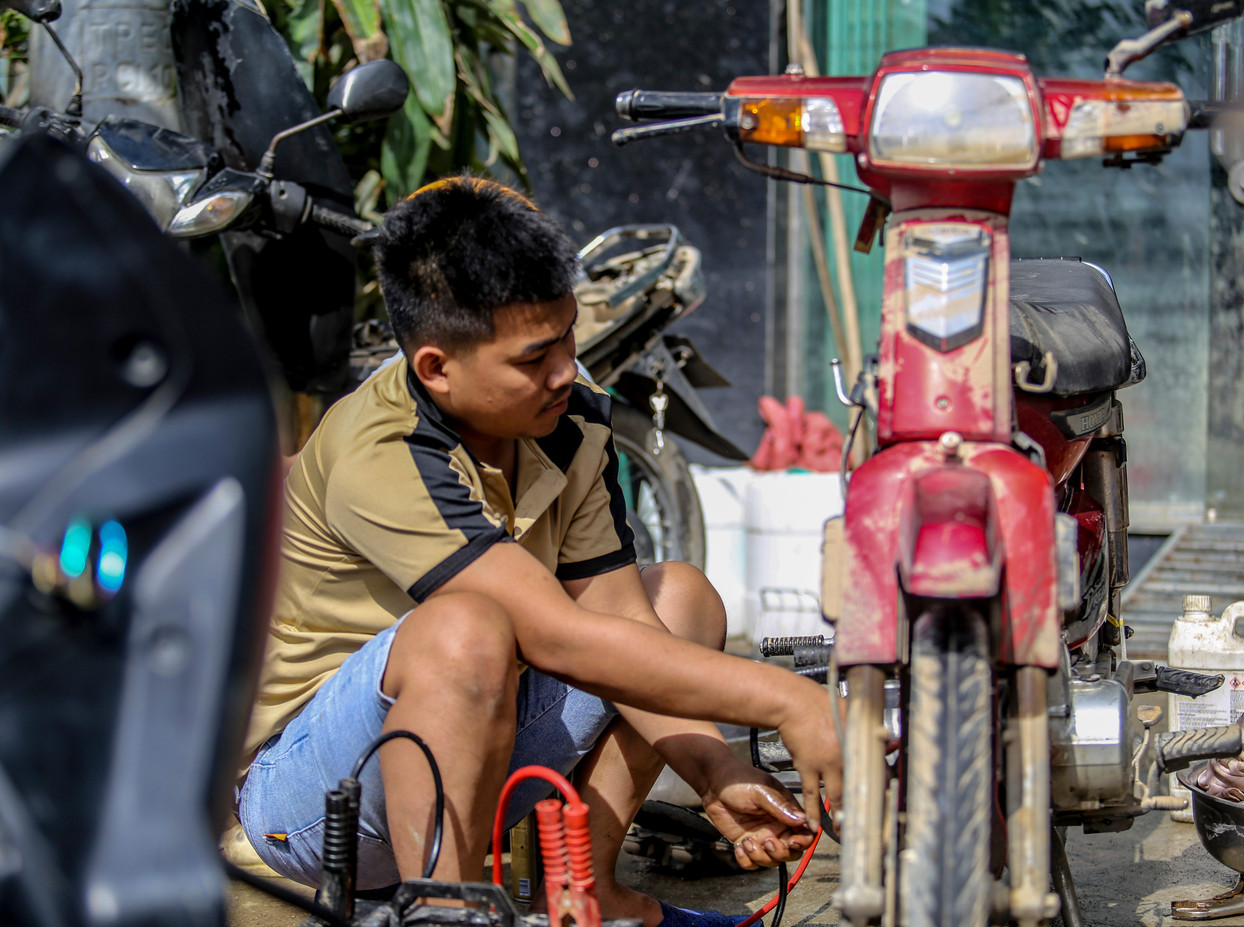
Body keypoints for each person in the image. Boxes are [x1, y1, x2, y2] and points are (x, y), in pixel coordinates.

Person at [235, 175, 843, 927]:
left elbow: (621, 624)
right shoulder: (379, 448)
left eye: (567, 338)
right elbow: (555, 634)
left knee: (680, 596)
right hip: (317, 799)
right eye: (533, 358)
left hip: (485, 739)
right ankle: (445, 912)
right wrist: (790, 697)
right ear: (436, 368)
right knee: (469, 627)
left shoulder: (572, 421)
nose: (565, 372)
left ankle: (581, 892)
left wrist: (715, 771)